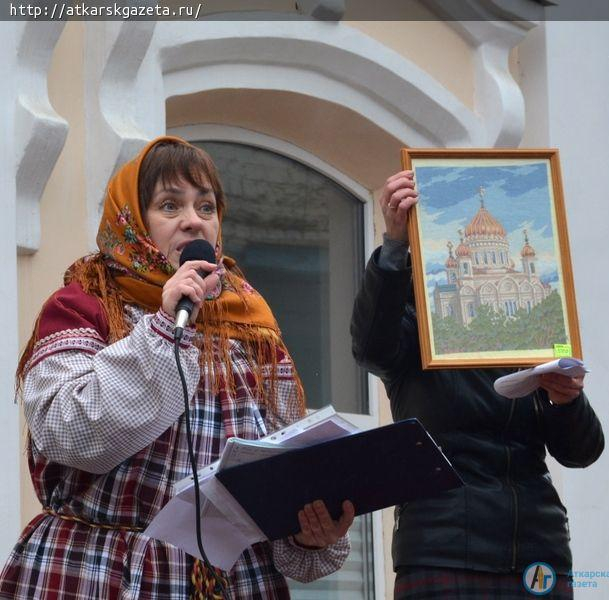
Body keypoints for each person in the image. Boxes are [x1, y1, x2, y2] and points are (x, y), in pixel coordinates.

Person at [0, 136, 354, 599]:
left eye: (206, 207)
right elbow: (70, 433)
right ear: (132, 221)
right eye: (170, 206)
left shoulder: (251, 325)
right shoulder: (85, 304)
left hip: (228, 580)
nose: (193, 222)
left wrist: (306, 529)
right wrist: (166, 326)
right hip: (98, 574)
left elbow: (279, 467)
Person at [350, 170, 604, 599]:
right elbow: (370, 346)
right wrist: (394, 247)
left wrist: (566, 399)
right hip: (444, 544)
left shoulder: (532, 339)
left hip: (534, 548)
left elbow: (581, 451)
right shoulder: (414, 331)